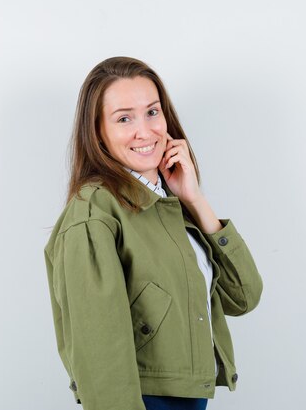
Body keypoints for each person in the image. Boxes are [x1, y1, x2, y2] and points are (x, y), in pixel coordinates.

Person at [43, 56, 263, 410]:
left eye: (152, 112)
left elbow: (244, 296)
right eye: (124, 118)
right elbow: (99, 353)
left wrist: (194, 199)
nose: (145, 131)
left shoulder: (167, 204)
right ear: (98, 131)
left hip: (188, 398)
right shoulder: (94, 211)